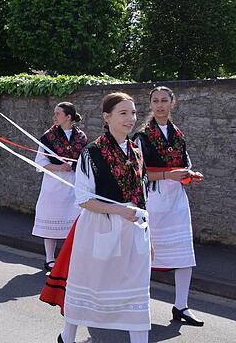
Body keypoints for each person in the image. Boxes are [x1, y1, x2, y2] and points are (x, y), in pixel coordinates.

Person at [41, 92, 151, 343]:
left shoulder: (136, 151)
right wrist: (120, 210)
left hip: (134, 231)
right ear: (106, 117)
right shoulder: (92, 153)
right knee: (89, 287)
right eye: (123, 113)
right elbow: (84, 199)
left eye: (133, 113)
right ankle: (67, 337)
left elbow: (143, 197)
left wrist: (149, 238)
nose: (130, 118)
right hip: (100, 228)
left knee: (136, 295)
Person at [133, 86, 204, 327]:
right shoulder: (141, 137)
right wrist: (168, 175)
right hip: (152, 201)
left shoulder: (179, 135)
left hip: (176, 202)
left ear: (173, 103)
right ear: (150, 104)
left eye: (165, 100)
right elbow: (136, 174)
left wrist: (190, 176)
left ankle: (181, 306)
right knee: (144, 256)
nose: (160, 105)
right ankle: (137, 304)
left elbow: (183, 167)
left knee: (184, 256)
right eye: (156, 100)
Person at [32, 102, 88, 272]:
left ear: (68, 117)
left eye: (58, 113)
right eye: (55, 113)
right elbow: (40, 162)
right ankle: (49, 259)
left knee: (72, 222)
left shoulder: (81, 137)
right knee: (52, 219)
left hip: (73, 184)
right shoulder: (48, 137)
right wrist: (59, 167)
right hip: (53, 185)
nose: (55, 116)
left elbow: (86, 160)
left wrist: (76, 166)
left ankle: (68, 259)